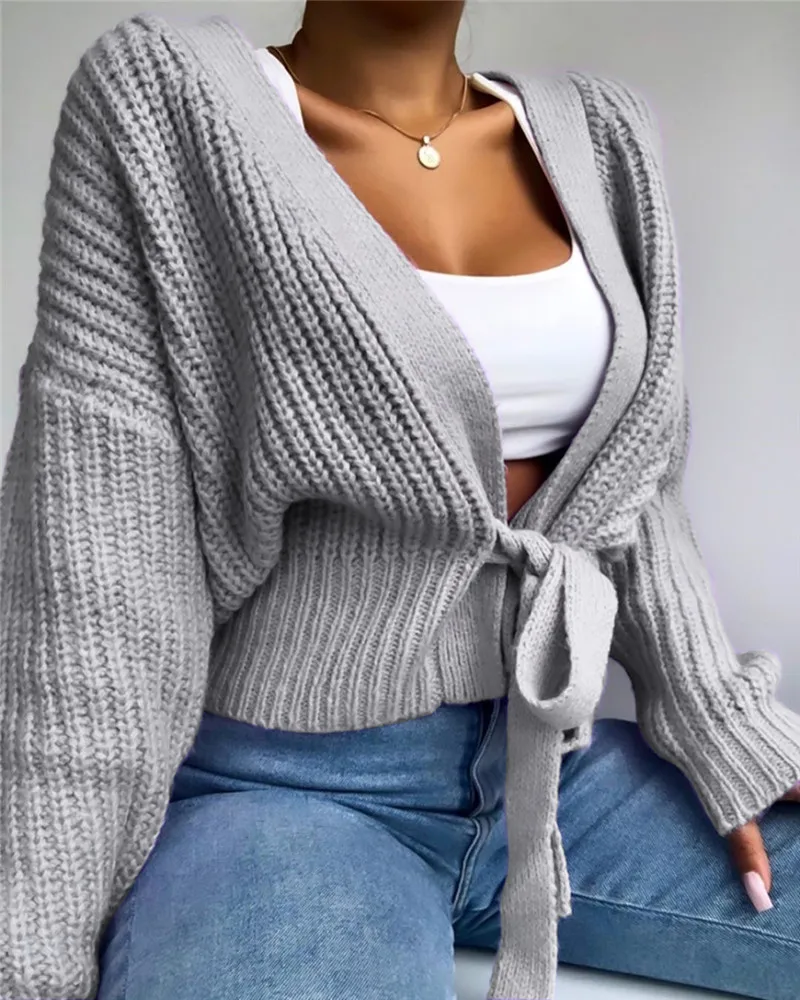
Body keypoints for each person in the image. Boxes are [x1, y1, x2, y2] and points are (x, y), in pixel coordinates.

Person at [1, 3, 798, 999]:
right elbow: (96, 578)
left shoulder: (602, 135)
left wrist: (721, 725)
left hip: (555, 774)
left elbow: (634, 490)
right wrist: (31, 954)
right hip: (287, 794)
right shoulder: (168, 101)